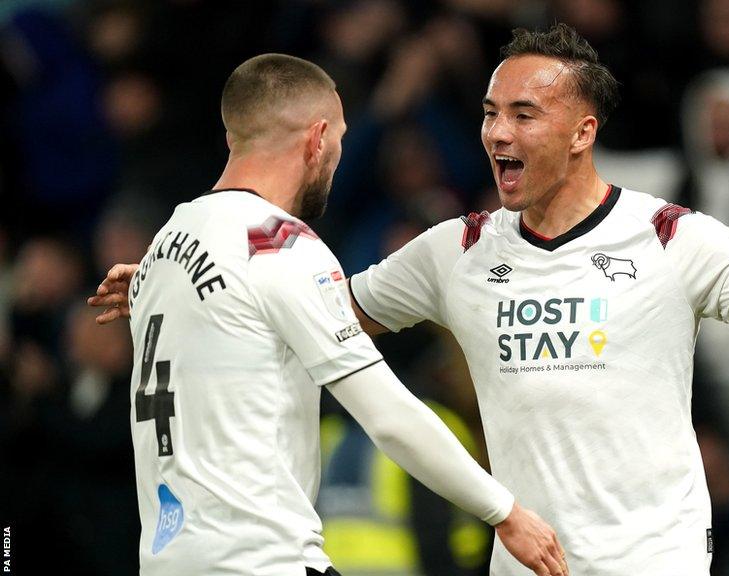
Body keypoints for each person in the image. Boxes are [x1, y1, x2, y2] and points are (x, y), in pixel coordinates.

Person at [93, 28, 729, 575]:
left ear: (583, 131)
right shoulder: (455, 250)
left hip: (652, 562)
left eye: (522, 114)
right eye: (490, 112)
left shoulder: (670, 236)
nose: (496, 130)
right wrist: (187, 282)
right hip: (526, 561)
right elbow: (315, 311)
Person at [87, 54, 568, 576]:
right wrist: (506, 512)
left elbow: (223, 310)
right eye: (337, 141)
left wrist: (155, 282)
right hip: (260, 561)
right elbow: (388, 415)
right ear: (317, 139)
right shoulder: (277, 247)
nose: (336, 160)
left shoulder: (168, 242)